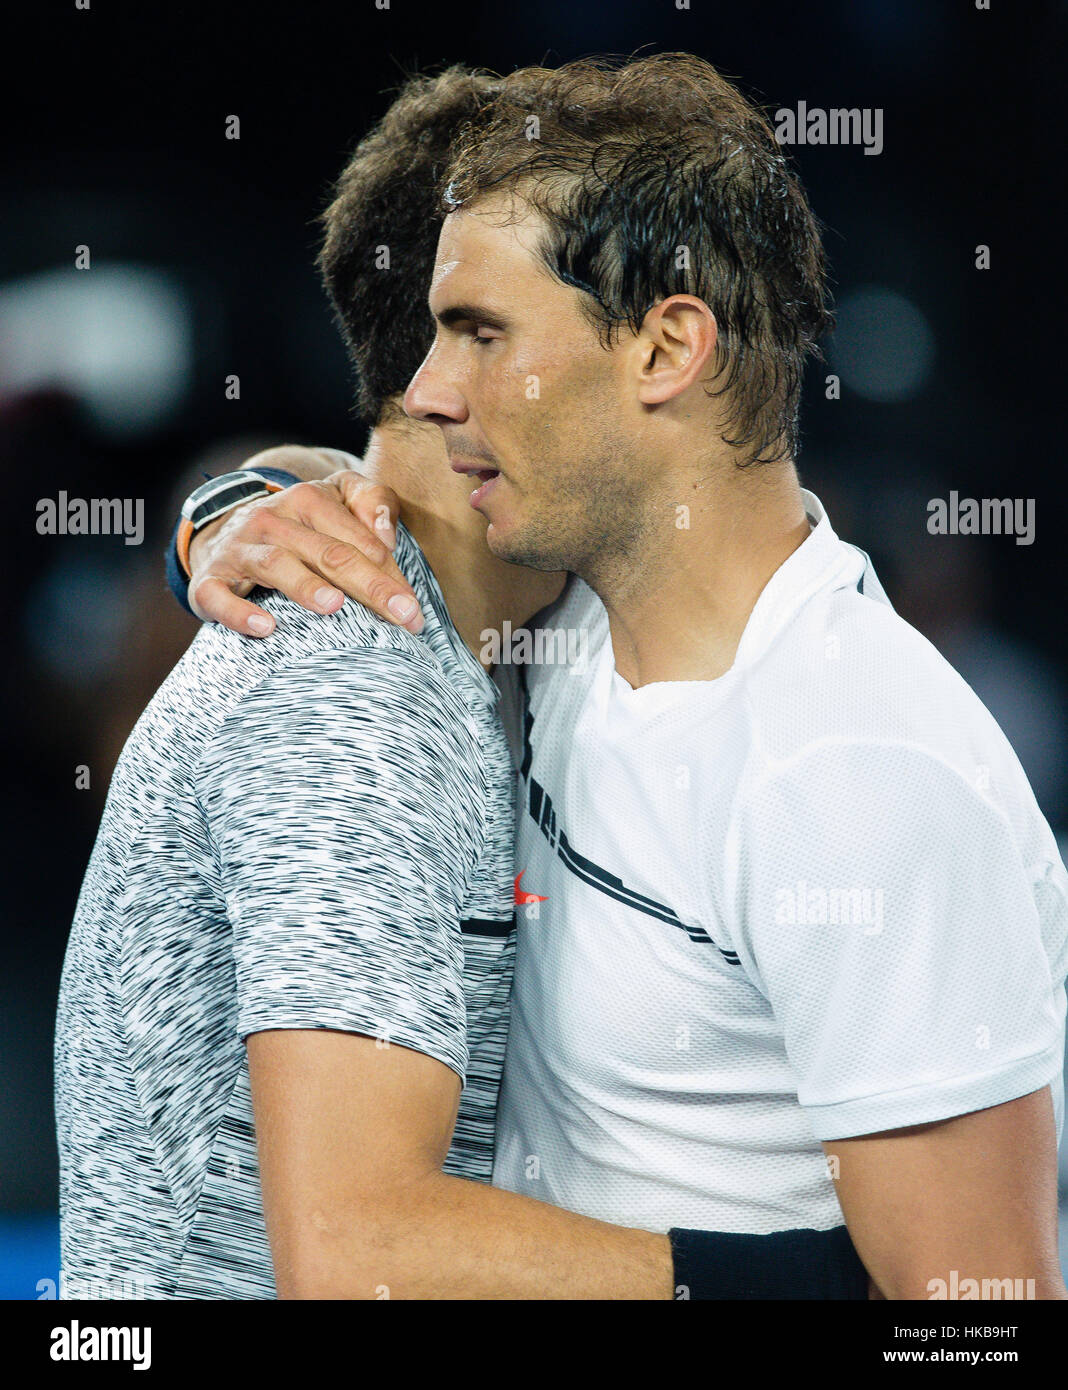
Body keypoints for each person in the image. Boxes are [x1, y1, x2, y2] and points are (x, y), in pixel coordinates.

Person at [179, 54, 1068, 1299]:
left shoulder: (856, 775)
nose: (431, 392)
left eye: (481, 334)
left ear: (665, 348)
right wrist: (230, 508)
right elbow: (352, 488)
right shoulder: (569, 609)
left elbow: (980, 1314)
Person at [57, 64, 868, 1302]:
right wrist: (832, 1285)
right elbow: (358, 1251)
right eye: (466, 326)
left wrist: (226, 499)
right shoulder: (350, 684)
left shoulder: (531, 626)